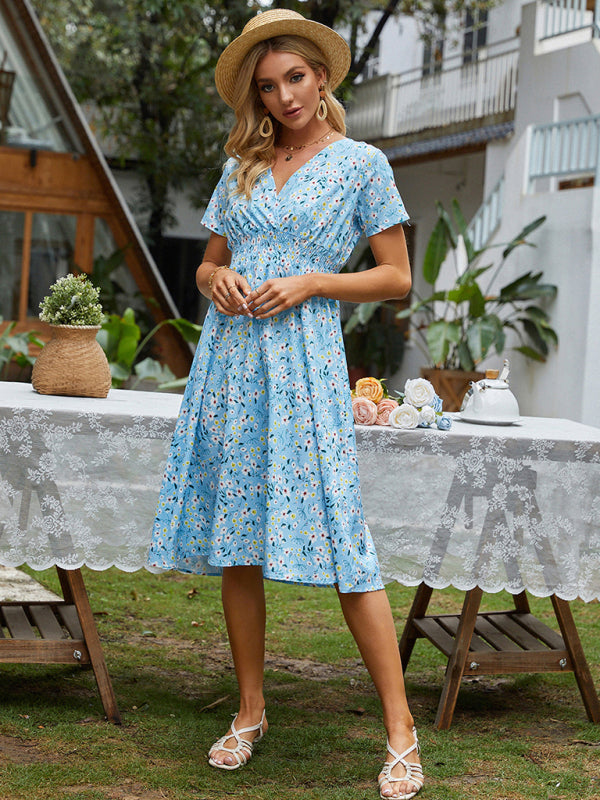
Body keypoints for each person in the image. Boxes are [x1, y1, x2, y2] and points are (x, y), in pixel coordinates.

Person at [148, 8, 423, 799]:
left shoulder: (363, 164)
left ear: (321, 76)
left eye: (295, 78)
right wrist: (217, 280)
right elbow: (207, 264)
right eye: (268, 87)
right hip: (230, 362)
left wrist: (312, 282)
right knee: (238, 539)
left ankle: (401, 729)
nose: (284, 97)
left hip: (304, 362)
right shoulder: (241, 165)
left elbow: (397, 277)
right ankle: (249, 711)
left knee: (344, 540)